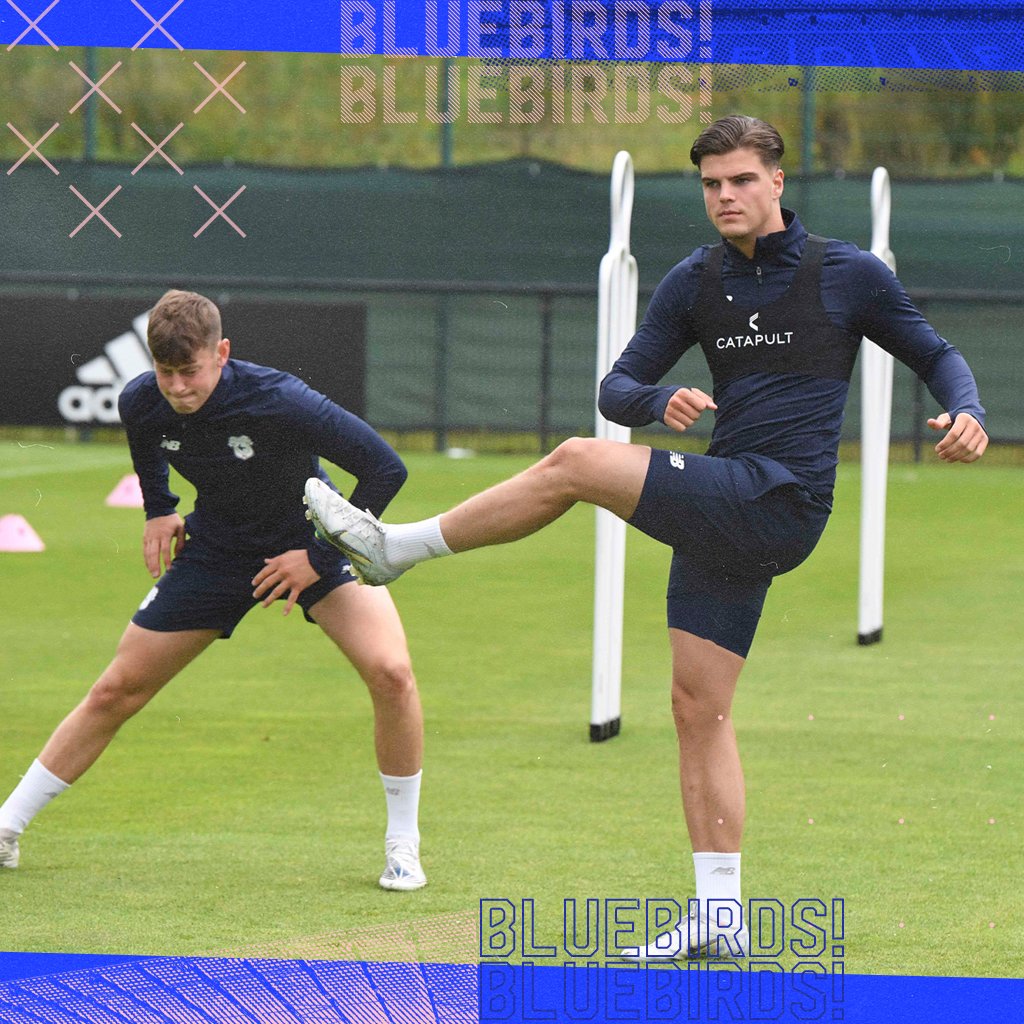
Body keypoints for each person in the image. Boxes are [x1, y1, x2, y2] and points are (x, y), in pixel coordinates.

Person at [306, 115, 990, 953]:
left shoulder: (844, 273)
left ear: (778, 181)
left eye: (742, 179)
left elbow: (937, 354)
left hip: (779, 498)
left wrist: (969, 411)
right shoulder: (695, 280)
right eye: (711, 184)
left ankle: (396, 547)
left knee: (572, 465)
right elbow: (616, 385)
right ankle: (719, 915)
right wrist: (655, 402)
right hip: (722, 502)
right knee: (697, 709)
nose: (726, 197)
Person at [0, 289, 429, 891]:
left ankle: (403, 846)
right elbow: (148, 441)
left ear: (222, 353)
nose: (176, 387)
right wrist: (159, 508)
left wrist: (318, 554)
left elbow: (386, 467)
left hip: (312, 543)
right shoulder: (141, 400)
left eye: (189, 371)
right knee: (116, 688)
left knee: (392, 675)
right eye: (165, 372)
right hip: (219, 552)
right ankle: (7, 828)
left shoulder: (278, 398)